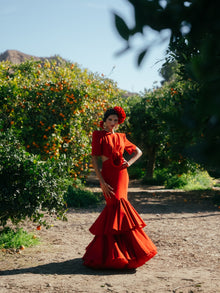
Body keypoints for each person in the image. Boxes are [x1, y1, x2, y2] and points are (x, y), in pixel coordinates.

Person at [83, 106, 157, 269]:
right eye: (110, 120)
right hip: (108, 175)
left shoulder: (122, 137)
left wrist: (128, 163)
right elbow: (95, 159)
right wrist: (101, 180)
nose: (113, 123)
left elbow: (139, 151)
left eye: (116, 121)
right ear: (105, 120)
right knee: (114, 207)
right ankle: (110, 254)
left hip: (122, 175)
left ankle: (128, 254)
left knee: (120, 209)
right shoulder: (98, 135)